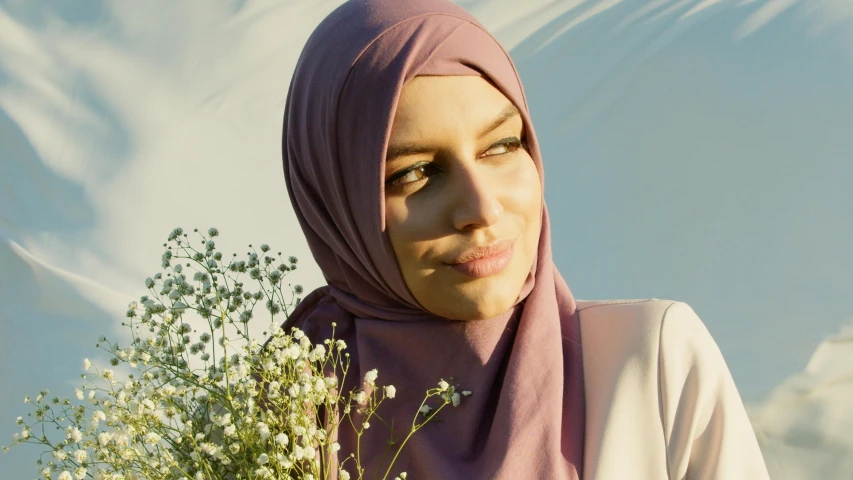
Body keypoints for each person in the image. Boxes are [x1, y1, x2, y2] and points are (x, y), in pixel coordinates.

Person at [276, 0, 771, 478]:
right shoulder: (289, 413)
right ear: (336, 205)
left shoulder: (651, 363)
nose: (483, 208)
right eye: (416, 172)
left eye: (502, 146)